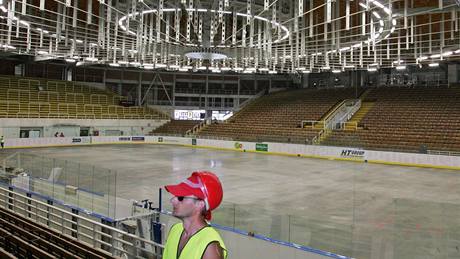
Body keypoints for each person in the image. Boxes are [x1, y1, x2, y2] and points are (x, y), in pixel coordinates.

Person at [163, 171, 227, 259]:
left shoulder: (210, 248)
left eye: (181, 198)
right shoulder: (175, 230)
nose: (173, 200)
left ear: (200, 204)